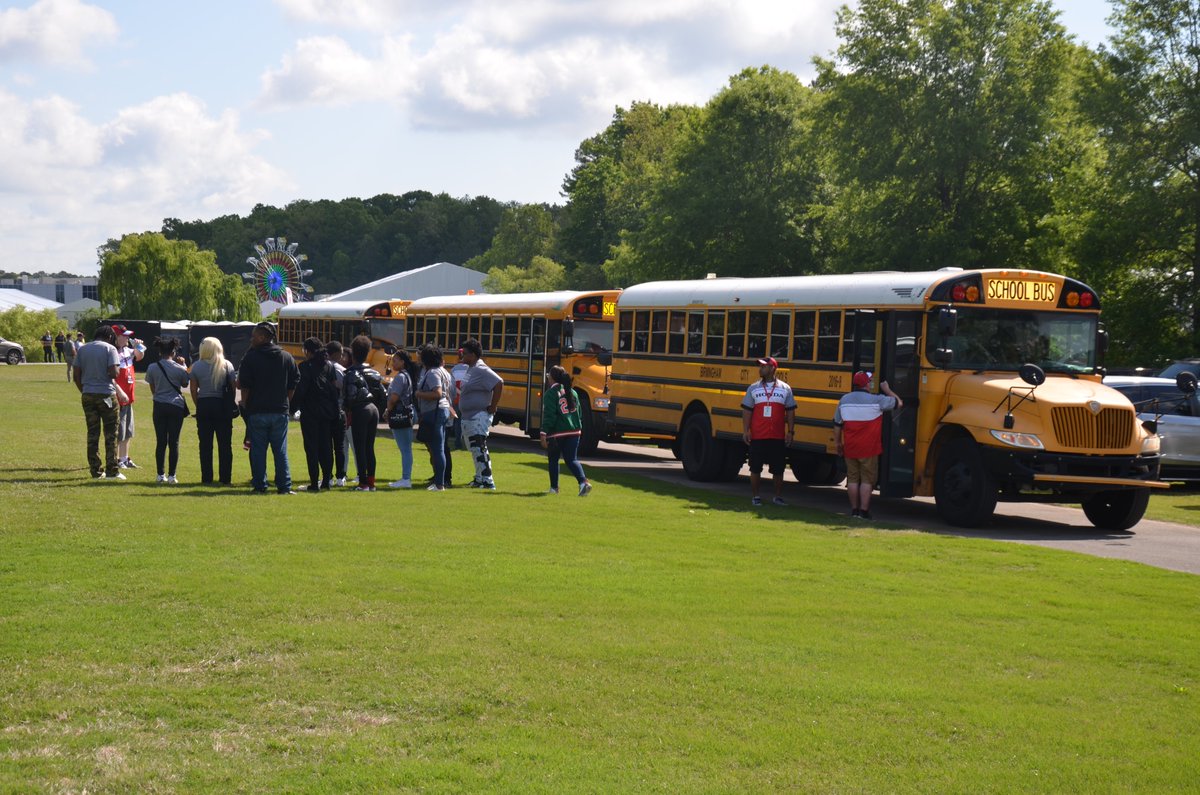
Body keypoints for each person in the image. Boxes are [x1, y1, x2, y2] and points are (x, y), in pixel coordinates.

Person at [237, 321, 300, 494]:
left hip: (257, 411)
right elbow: (294, 383)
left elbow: (245, 386)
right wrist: (286, 401)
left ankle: (260, 485)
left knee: (258, 451)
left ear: (263, 337)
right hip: (279, 411)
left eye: (254, 336)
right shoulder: (286, 357)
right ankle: (284, 487)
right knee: (280, 451)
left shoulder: (251, 357)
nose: (251, 339)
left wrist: (245, 404)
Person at [833, 370, 902, 520]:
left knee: (852, 479)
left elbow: (837, 425)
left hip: (850, 448)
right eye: (870, 381)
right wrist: (887, 390)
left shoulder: (844, 400)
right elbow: (899, 403)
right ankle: (864, 511)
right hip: (869, 449)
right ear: (866, 384)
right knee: (866, 480)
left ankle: (854, 510)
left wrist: (838, 443)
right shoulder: (877, 400)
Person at [741, 357, 796, 506]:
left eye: (763, 367)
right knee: (755, 467)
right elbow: (747, 411)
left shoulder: (785, 388)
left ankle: (777, 497)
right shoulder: (753, 388)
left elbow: (790, 411)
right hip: (758, 435)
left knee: (778, 469)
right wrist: (746, 430)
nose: (760, 369)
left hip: (777, 436)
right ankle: (756, 496)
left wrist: (790, 431)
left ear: (773, 368)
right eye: (760, 366)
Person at [73, 325, 125, 480]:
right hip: (107, 394)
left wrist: (85, 390)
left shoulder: (83, 349)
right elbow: (114, 373)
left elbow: (76, 374)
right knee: (111, 434)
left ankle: (95, 470)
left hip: (88, 394)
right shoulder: (110, 349)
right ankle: (112, 471)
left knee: (93, 433)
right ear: (110, 337)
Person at [292, 337, 341, 492]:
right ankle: (326, 480)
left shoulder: (305, 367)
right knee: (326, 446)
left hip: (310, 412)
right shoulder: (329, 366)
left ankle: (314, 482)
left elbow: (301, 390)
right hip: (327, 412)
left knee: (311, 447)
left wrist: (292, 408)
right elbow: (335, 388)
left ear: (308, 351)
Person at [189, 336, 236, 485]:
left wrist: (199, 405)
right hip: (222, 405)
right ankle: (225, 478)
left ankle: (207, 478)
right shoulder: (227, 365)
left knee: (205, 445)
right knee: (225, 445)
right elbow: (233, 388)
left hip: (204, 405)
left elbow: (193, 390)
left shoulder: (196, 366)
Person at [456, 338, 503, 490]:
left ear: (474, 355)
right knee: (474, 448)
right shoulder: (471, 368)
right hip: (469, 416)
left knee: (479, 446)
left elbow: (498, 383)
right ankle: (479, 478)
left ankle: (488, 480)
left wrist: (493, 406)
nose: (462, 356)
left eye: (465, 353)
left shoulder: (481, 368)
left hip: (478, 415)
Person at [540, 365, 593, 496]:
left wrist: (543, 433)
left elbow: (549, 416)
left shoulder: (551, 393)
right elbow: (579, 413)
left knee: (553, 459)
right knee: (572, 459)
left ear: (552, 378)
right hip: (575, 431)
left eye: (548, 376)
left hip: (558, 432)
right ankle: (583, 482)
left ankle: (554, 488)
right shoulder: (573, 392)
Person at [144, 337, 191, 484]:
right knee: (174, 442)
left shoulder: (152, 367)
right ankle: (172, 476)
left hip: (159, 404)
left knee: (161, 441)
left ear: (160, 352)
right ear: (174, 351)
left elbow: (152, 386)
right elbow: (184, 384)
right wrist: (183, 365)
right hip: (176, 406)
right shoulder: (179, 368)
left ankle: (160, 475)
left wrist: (158, 396)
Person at [343, 334, 384, 492]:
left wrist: (346, 410)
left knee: (359, 447)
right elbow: (383, 394)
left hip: (360, 410)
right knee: (369, 447)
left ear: (353, 352)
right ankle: (371, 482)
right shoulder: (375, 373)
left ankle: (363, 483)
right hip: (373, 409)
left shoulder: (350, 373)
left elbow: (350, 395)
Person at [414, 345, 452, 491]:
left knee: (437, 448)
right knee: (439, 447)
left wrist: (419, 394)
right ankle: (439, 482)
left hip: (435, 412)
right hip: (441, 411)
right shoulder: (442, 371)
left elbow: (437, 393)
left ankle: (439, 484)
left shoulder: (433, 373)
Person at [109, 325, 146, 470]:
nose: (127, 338)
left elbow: (139, 356)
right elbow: (111, 377)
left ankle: (125, 458)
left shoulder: (127, 350)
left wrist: (139, 346)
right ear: (116, 337)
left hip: (129, 397)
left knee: (128, 431)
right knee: (119, 430)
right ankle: (116, 459)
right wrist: (119, 392)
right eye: (124, 336)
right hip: (119, 398)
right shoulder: (112, 352)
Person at [385, 349, 416, 489]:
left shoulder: (400, 377)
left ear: (403, 362)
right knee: (406, 448)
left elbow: (394, 398)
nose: (393, 362)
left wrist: (388, 410)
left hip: (399, 414)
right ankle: (406, 477)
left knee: (405, 449)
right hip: (407, 413)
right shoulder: (407, 375)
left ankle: (406, 478)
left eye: (396, 360)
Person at [326, 340, 349, 486]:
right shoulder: (341, 370)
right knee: (339, 446)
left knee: (327, 445)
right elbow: (344, 390)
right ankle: (341, 476)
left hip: (325, 411)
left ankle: (328, 475)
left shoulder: (323, 368)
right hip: (339, 410)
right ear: (335, 353)